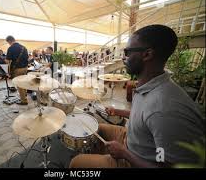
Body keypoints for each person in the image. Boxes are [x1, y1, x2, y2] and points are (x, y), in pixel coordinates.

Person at [69, 25, 205, 168]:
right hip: (132, 138)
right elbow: (146, 119)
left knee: (76, 163)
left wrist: (124, 154)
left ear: (147, 55)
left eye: (127, 52)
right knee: (96, 128)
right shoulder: (150, 85)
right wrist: (119, 112)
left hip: (133, 158)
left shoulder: (163, 111)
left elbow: (164, 163)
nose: (123, 57)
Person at [5, 36, 28, 105]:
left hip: (17, 69)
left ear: (9, 41)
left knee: (19, 84)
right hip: (25, 68)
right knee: (24, 82)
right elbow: (27, 58)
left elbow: (7, 61)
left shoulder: (11, 48)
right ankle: (24, 94)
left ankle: (24, 100)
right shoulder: (24, 47)